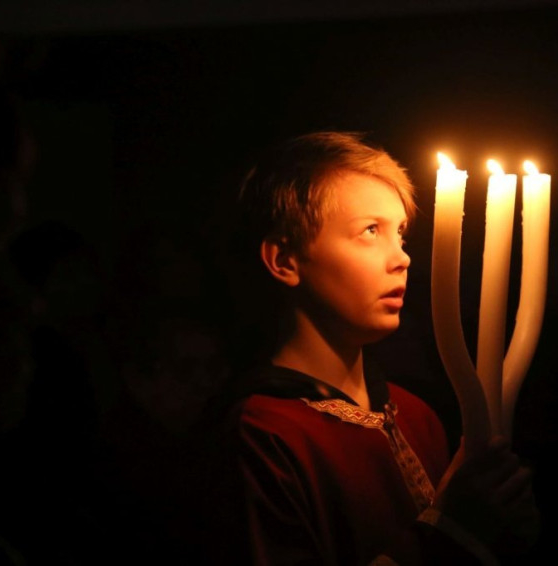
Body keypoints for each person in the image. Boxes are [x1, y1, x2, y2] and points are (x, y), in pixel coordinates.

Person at [223, 132, 539, 565]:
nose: (402, 258)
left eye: (401, 234)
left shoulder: (416, 415)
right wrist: (448, 530)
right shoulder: (263, 433)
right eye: (370, 231)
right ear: (284, 260)